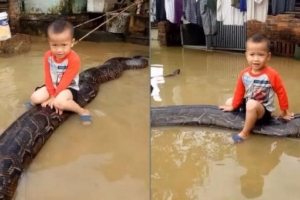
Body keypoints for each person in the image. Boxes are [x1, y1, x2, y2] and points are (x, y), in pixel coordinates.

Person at [219, 33, 293, 143]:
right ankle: (242, 120)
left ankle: (245, 133)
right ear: (246, 55)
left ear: (268, 56)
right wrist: (233, 106)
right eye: (252, 54)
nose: (256, 59)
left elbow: (281, 92)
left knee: (251, 104)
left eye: (261, 55)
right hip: (250, 103)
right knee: (229, 101)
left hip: (263, 111)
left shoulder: (272, 74)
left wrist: (284, 111)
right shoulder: (244, 73)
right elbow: (239, 91)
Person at [25, 19, 91, 125]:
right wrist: (51, 93)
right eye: (54, 45)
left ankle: (82, 111)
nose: (59, 50)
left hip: (68, 88)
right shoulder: (48, 56)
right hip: (53, 86)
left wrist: (54, 97)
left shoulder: (74, 59)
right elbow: (48, 76)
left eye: (64, 45)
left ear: (72, 42)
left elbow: (66, 81)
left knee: (59, 102)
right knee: (34, 98)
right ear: (49, 42)